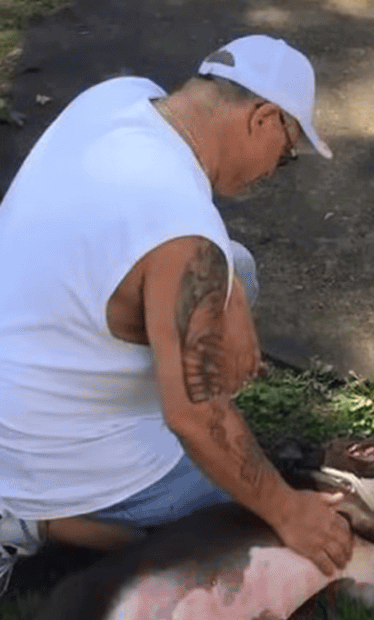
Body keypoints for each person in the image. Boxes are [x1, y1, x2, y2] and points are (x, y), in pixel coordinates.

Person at [0, 35, 353, 595]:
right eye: (285, 155)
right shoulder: (185, 236)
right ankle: (43, 521)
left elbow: (167, 240)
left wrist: (230, 290)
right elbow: (195, 418)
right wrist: (286, 510)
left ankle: (40, 505)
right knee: (243, 530)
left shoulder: (118, 98)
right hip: (45, 453)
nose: (273, 171)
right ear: (262, 117)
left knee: (239, 266)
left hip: (20, 377)